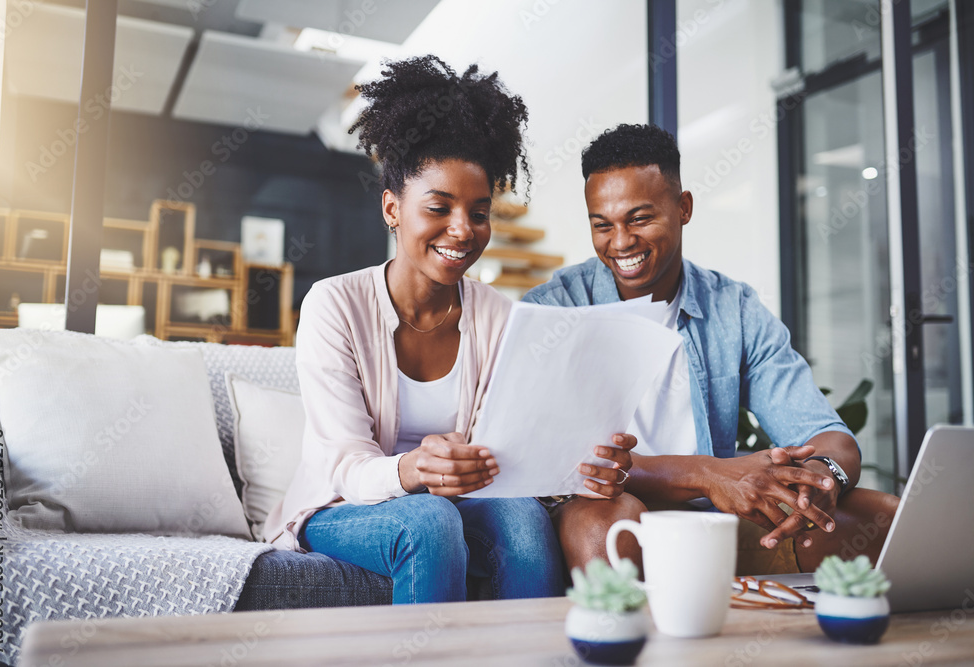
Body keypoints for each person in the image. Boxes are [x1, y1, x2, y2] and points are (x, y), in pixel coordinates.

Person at [265, 56, 633, 603]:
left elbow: (510, 450)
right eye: (439, 207)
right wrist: (415, 470)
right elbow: (345, 465)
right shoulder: (334, 305)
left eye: (479, 212)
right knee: (430, 521)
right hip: (341, 503)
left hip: (461, 498)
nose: (462, 230)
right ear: (393, 208)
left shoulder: (499, 317)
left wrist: (584, 464)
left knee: (525, 523)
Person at [524, 123, 899, 575]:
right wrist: (707, 473)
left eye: (640, 219)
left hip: (710, 520)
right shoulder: (554, 309)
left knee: (878, 518)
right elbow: (565, 463)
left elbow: (830, 436)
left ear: (683, 207)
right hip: (606, 515)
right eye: (603, 225)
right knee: (607, 517)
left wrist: (821, 478)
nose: (620, 242)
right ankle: (627, 642)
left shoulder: (732, 307)